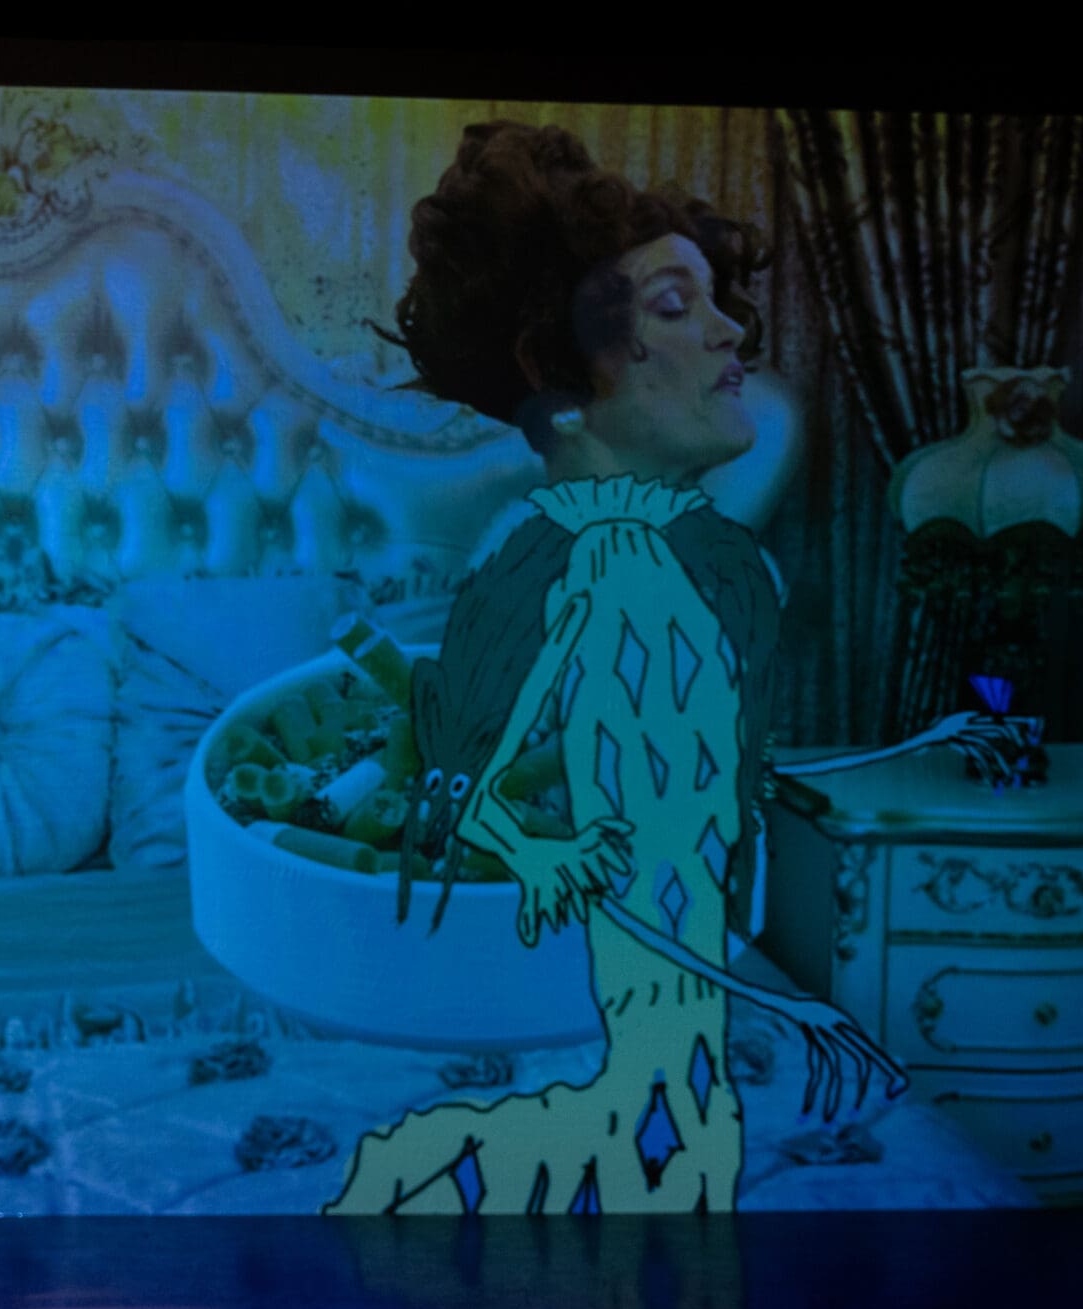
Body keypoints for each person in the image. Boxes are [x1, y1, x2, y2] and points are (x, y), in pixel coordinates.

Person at [327, 123, 1016, 1216]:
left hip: (691, 1012)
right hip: (619, 1009)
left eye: (711, 298)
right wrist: (544, 856)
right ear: (560, 376)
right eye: (672, 306)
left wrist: (926, 743)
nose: (731, 328)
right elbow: (471, 790)